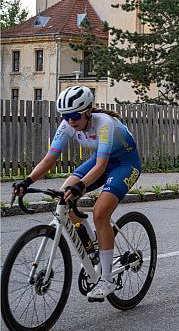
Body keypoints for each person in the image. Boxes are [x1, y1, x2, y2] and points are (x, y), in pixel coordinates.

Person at [14, 86, 142, 299]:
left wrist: (80, 186)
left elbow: (101, 166)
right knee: (64, 197)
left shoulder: (105, 124)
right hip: (100, 162)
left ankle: (107, 279)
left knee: (100, 213)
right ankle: (92, 248)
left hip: (124, 164)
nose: (70, 121)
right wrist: (26, 181)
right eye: (66, 116)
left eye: (74, 116)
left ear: (88, 112)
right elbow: (49, 159)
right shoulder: (67, 126)